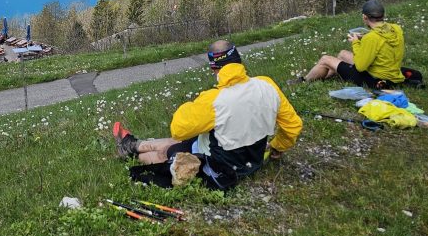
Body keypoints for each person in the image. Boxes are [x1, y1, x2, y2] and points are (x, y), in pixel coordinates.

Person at [112, 41, 303, 191]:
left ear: (214, 68)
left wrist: (196, 103)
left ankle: (134, 150)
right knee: (188, 139)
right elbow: (293, 125)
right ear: (238, 60)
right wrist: (278, 146)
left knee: (169, 151)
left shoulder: (215, 100)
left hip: (219, 168)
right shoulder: (267, 84)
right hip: (253, 160)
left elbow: (178, 129)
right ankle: (133, 144)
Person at [303, 0, 405, 88]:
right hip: (393, 74)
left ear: (364, 17)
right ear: (383, 15)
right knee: (342, 54)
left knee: (325, 59)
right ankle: (326, 76)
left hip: (377, 80)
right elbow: (380, 40)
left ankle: (305, 81)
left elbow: (360, 67)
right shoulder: (396, 28)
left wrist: (356, 43)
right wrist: (364, 38)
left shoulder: (371, 38)